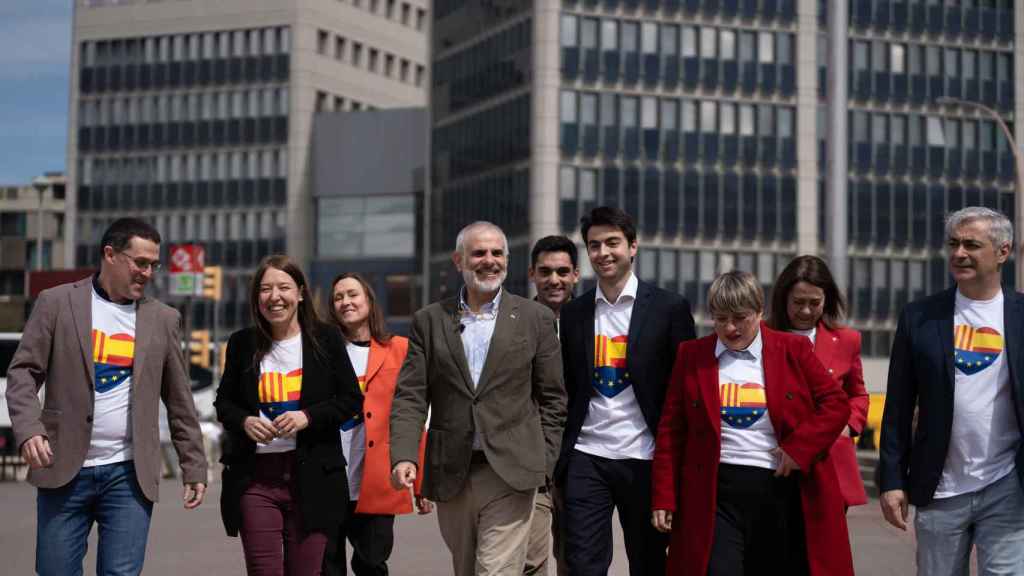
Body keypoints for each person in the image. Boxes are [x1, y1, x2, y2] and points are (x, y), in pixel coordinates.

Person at [6, 217, 208, 576]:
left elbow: (179, 400)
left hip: (128, 475)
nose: (147, 272)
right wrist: (29, 428)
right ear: (110, 254)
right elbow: (23, 373)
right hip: (63, 468)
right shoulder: (57, 303)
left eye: (153, 264)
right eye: (140, 262)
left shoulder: (162, 319)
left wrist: (194, 465)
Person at [389, 221, 567, 576]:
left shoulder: (535, 318)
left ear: (507, 260)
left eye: (497, 253)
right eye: (479, 253)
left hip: (514, 471)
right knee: (467, 568)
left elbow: (552, 399)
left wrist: (542, 461)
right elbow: (410, 396)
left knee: (496, 570)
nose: (489, 261)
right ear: (459, 261)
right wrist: (405, 456)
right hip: (452, 471)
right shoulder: (430, 320)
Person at [651, 270, 854, 576]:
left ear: (760, 312)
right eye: (720, 319)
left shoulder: (793, 350)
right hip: (714, 493)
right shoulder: (692, 355)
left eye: (739, 318)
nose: (730, 328)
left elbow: (837, 404)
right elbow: (671, 430)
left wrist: (799, 449)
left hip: (779, 490)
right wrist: (664, 496)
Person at [880, 206, 1024, 575]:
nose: (959, 253)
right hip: (940, 485)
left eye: (972, 245)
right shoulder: (921, 317)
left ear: (1003, 252)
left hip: (1009, 483)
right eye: (954, 244)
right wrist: (892, 480)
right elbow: (897, 405)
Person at [557, 206, 695, 576]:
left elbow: (685, 392)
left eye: (612, 243)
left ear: (633, 247)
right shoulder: (574, 314)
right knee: (583, 565)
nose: (603, 253)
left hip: (646, 457)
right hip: (587, 455)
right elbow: (568, 385)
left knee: (649, 564)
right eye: (594, 245)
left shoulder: (670, 309)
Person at [215, 255, 363, 575]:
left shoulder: (326, 339)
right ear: (257, 297)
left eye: (283, 287)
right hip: (256, 478)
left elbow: (351, 399)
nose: (274, 296)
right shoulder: (242, 343)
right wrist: (245, 421)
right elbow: (224, 403)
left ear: (299, 293)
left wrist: (306, 417)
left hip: (313, 479)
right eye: (265, 289)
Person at [322, 272, 428, 576]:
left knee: (371, 564)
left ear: (369, 300)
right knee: (326, 566)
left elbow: (413, 415)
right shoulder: (322, 352)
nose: (345, 302)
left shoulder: (401, 349)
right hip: (328, 479)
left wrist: (421, 482)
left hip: (379, 478)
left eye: (352, 294)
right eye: (338, 297)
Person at [768, 255, 869, 509]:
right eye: (798, 302)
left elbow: (857, 394)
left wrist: (848, 425)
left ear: (827, 301)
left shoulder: (847, 340)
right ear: (783, 299)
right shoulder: (761, 336)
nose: (805, 311)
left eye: (814, 303)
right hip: (774, 459)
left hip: (829, 461)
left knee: (825, 548)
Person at [524, 235, 580, 576]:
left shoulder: (593, 319)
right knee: (531, 560)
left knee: (577, 559)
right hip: (531, 458)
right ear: (532, 274)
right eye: (545, 271)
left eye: (562, 271)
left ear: (575, 274)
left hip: (581, 458)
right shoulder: (515, 320)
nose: (554, 280)